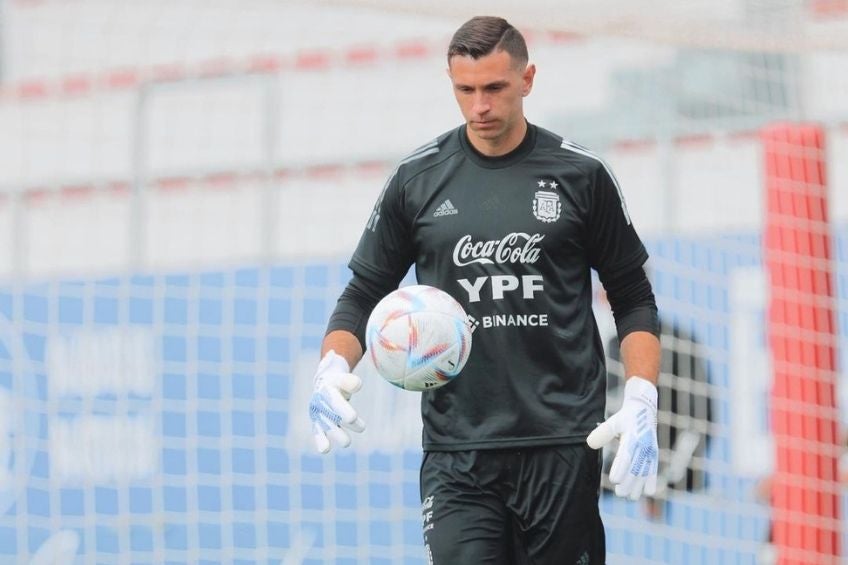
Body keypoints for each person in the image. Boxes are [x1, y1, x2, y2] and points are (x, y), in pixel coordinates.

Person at [308, 16, 662, 564]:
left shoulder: (581, 174)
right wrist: (332, 365)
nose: (480, 106)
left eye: (494, 87)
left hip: (562, 444)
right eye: (465, 90)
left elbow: (633, 296)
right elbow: (363, 294)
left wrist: (642, 394)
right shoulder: (417, 179)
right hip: (458, 453)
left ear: (527, 79)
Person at [603, 311, 713, 520]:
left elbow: (702, 415)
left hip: (671, 460)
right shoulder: (613, 345)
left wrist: (672, 468)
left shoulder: (681, 342)